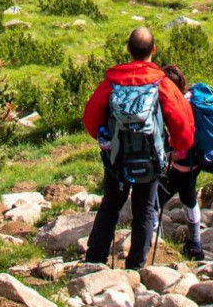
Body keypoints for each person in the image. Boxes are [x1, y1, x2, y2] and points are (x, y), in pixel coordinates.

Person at [82, 26, 194, 269]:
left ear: (128, 50)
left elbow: (90, 118)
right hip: (151, 158)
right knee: (144, 209)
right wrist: (176, 148)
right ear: (154, 50)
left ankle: (95, 260)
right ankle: (136, 266)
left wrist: (105, 138)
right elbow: (182, 122)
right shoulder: (162, 84)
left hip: (116, 156)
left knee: (111, 204)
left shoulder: (111, 82)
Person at [160, 63, 204, 260]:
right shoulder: (191, 100)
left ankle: (155, 246)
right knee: (188, 198)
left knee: (155, 203)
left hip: (181, 162)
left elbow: (181, 137)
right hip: (197, 160)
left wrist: (172, 153)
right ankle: (195, 244)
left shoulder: (175, 105)